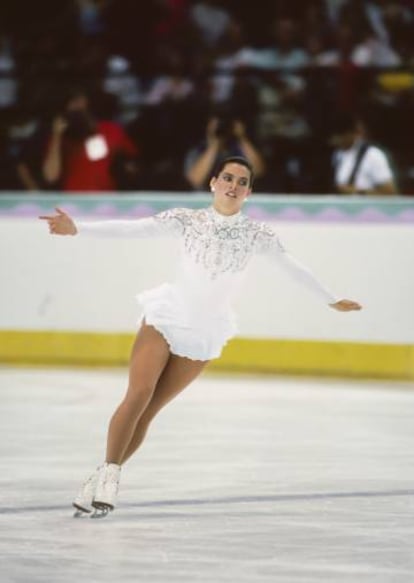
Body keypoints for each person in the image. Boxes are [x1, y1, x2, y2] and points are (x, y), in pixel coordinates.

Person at [39, 156, 362, 518]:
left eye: (241, 182)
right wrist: (77, 227)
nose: (233, 185)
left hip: (205, 330)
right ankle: (112, 478)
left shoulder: (258, 235)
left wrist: (330, 299)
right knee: (140, 393)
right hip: (167, 316)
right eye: (227, 178)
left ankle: (97, 477)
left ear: (249, 192)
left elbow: (293, 267)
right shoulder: (187, 220)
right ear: (213, 183)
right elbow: (135, 228)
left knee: (150, 410)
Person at [42, 88, 139, 192]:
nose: (77, 106)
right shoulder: (61, 136)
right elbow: (50, 177)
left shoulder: (112, 130)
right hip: (71, 199)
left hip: (106, 200)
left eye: (79, 102)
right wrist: (57, 135)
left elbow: (132, 164)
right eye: (73, 103)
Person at [185, 115, 266, 190]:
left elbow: (258, 171)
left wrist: (242, 138)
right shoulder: (198, 151)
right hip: (206, 199)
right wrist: (214, 145)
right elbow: (195, 180)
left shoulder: (238, 149)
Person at [331, 112, 397, 195]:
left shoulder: (373, 155)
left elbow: (390, 193)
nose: (335, 141)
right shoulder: (337, 155)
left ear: (351, 134)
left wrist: (357, 192)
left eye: (339, 137)